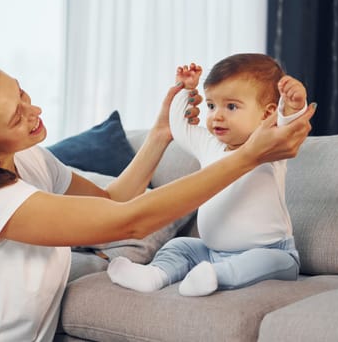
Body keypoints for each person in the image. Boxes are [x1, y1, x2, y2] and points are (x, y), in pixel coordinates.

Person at [0, 61, 314, 341]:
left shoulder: (28, 158)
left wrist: (159, 135)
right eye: (16, 116)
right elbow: (128, 222)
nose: (35, 109)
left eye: (23, 95)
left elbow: (112, 198)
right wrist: (248, 156)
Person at [107, 54, 309, 297]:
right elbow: (180, 128)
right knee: (179, 246)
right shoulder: (209, 144)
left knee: (259, 262)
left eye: (231, 106)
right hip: (210, 251)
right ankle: (154, 274)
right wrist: (185, 90)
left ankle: (215, 276)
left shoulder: (270, 146)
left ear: (267, 115)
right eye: (211, 105)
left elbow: (290, 127)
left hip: (271, 251)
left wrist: (294, 105)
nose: (217, 116)